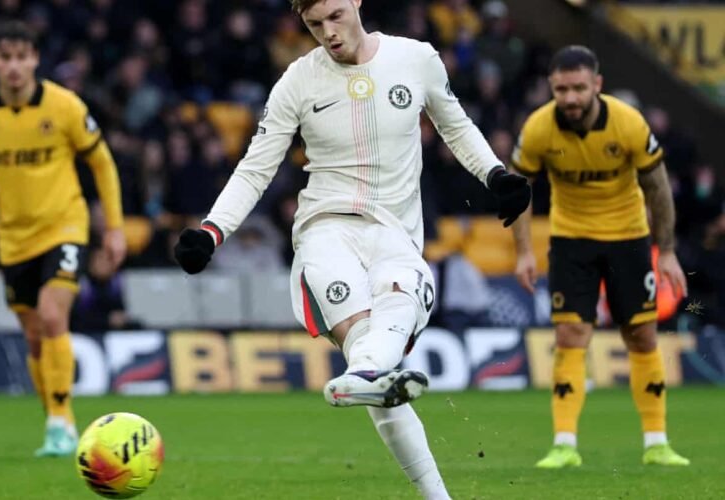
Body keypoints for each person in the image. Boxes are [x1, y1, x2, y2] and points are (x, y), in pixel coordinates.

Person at [173, 0, 530, 497]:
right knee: (369, 343)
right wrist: (212, 230)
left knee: (384, 340)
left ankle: (366, 381)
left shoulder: (416, 59)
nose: (329, 32)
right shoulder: (298, 81)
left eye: (336, 16)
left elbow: (455, 125)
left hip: (396, 234)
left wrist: (495, 174)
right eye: (314, 24)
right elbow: (256, 167)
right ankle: (366, 373)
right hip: (326, 229)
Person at [0, 21, 126, 457]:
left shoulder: (64, 105)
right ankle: (54, 421)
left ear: (35, 59)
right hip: (13, 237)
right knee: (33, 336)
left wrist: (115, 227)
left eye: (22, 56)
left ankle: (62, 419)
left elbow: (102, 163)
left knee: (51, 315)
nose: (14, 66)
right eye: (5, 57)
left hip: (64, 225)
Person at [510, 45, 690, 468]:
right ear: (551, 87)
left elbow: (658, 187)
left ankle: (657, 443)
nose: (570, 98)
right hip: (571, 240)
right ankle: (564, 444)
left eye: (578, 88)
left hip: (628, 238)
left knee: (641, 335)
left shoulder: (628, 123)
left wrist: (666, 251)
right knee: (570, 335)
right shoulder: (538, 128)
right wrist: (523, 252)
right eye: (561, 90)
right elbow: (518, 189)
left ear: (597, 85)